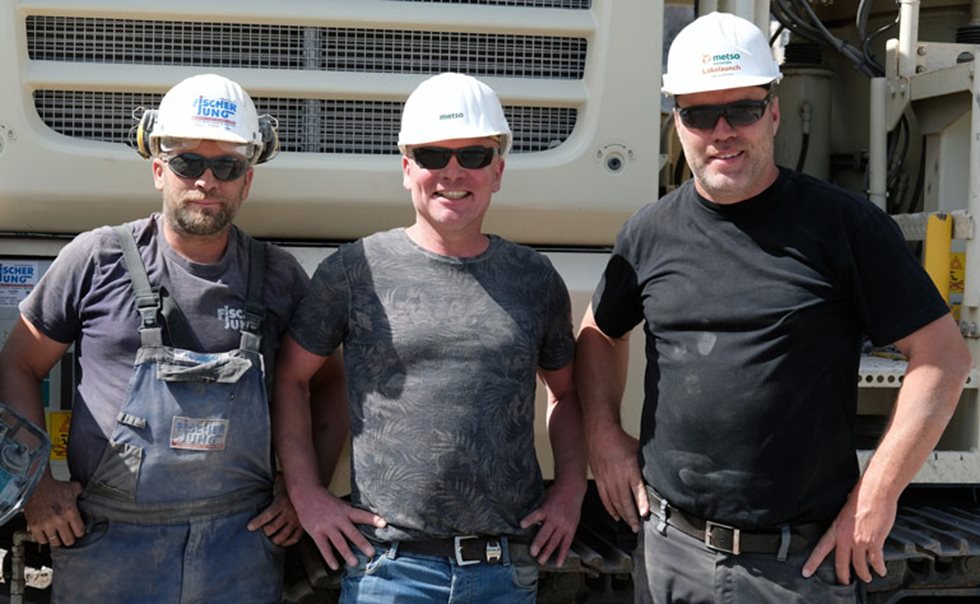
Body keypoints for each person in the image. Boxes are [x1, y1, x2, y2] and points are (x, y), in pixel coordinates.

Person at [575, 11, 972, 604]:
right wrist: (604, 435)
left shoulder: (843, 226)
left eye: (743, 109)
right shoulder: (649, 233)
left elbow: (941, 356)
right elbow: (600, 331)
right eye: (700, 114)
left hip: (799, 569)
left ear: (775, 111)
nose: (723, 131)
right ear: (677, 121)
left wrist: (877, 495)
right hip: (669, 556)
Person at [274, 72, 587, 603]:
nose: (453, 172)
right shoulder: (356, 272)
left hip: (504, 571)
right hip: (388, 573)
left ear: (499, 170)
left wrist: (572, 489)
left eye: (473, 155)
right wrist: (306, 493)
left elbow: (566, 393)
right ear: (406, 168)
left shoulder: (534, 279)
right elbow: (290, 379)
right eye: (432, 156)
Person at [0, 73, 312, 603]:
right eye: (189, 162)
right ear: (159, 169)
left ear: (247, 180)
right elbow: (18, 366)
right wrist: (35, 489)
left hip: (240, 549)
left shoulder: (278, 276)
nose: (206, 181)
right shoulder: (96, 259)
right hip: (107, 547)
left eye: (227, 166)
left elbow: (325, 383)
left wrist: (304, 489)